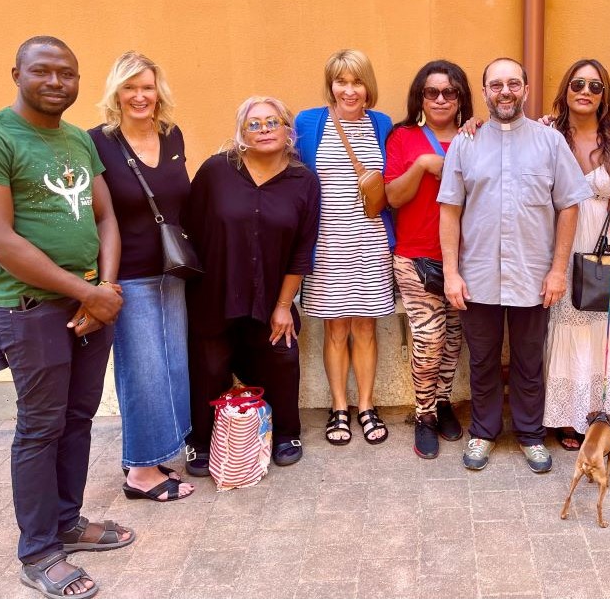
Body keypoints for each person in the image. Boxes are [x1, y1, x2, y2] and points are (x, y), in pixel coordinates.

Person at [0, 36, 133, 599]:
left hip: (88, 302)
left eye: (68, 73)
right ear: (17, 73)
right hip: (31, 308)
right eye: (44, 71)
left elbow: (107, 218)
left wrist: (102, 288)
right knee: (40, 426)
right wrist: (87, 295)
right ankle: (38, 550)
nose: (57, 81)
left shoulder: (78, 140)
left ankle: (67, 521)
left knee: (78, 415)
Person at [439, 57, 592, 473]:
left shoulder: (549, 142)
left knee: (529, 359)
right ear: (485, 91)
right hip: (478, 275)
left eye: (513, 83)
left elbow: (569, 207)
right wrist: (451, 272)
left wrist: (558, 269)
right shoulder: (465, 143)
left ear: (525, 89)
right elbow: (450, 211)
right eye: (496, 85)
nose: (505, 91)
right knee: (484, 358)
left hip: (533, 275)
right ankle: (483, 432)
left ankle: (529, 434)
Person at [184, 96, 320, 471]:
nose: (264, 130)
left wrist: (282, 306)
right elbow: (191, 228)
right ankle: (201, 441)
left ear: (288, 130)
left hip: (271, 295)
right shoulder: (215, 171)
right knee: (209, 366)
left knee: (282, 354)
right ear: (241, 134)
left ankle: (286, 432)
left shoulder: (303, 181)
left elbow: (302, 250)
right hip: (214, 293)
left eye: (272, 122)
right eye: (254, 124)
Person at [87, 51, 194, 500]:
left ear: (158, 91)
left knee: (171, 366)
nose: (139, 96)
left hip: (173, 270)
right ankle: (140, 474)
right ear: (116, 93)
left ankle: (162, 453)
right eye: (130, 88)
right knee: (142, 371)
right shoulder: (96, 143)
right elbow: (90, 212)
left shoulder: (172, 135)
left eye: (146, 87)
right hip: (128, 275)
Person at [540, 59, 610, 450]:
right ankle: (567, 416)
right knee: (567, 327)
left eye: (595, 86)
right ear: (566, 89)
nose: (585, 91)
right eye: (578, 83)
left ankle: (603, 409)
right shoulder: (545, 132)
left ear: (604, 96)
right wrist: (475, 125)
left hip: (605, 243)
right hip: (560, 244)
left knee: (607, 328)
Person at [294, 49, 394, 446]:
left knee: (366, 327)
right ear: (330, 85)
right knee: (335, 329)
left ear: (368, 85)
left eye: (356, 82)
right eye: (341, 81)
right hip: (328, 242)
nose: (349, 90)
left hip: (370, 240)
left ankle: (367, 406)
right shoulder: (309, 122)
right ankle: (339, 408)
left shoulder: (382, 124)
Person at [384, 60, 474, 459]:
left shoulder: (478, 137)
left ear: (461, 98)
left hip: (468, 258)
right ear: (420, 96)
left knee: (453, 341)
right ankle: (424, 415)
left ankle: (442, 402)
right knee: (429, 339)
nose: (440, 99)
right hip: (415, 256)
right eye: (431, 92)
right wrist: (422, 165)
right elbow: (393, 198)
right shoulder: (403, 138)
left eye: (449, 92)